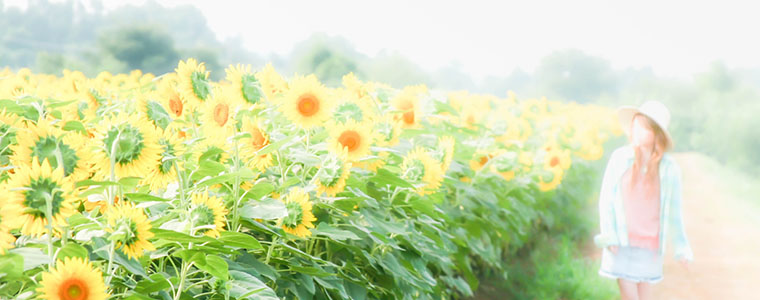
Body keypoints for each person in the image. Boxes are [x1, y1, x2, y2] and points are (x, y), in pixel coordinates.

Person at [594, 100, 693, 300]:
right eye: (635, 126)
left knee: (645, 294)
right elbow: (606, 200)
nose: (637, 131)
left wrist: (681, 247)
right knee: (629, 294)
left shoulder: (669, 169)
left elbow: (675, 212)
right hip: (621, 240)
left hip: (650, 244)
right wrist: (609, 234)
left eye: (644, 128)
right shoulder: (620, 158)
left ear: (657, 134)